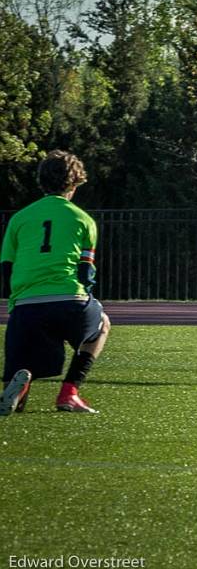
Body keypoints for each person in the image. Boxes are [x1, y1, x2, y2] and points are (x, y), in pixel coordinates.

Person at [0, 151, 110, 415]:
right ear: (74, 184)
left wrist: (17, 302)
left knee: (19, 369)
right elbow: (86, 272)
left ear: (41, 182)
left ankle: (18, 386)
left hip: (26, 306)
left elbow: (6, 267)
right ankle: (69, 393)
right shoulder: (83, 219)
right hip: (69, 301)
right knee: (102, 324)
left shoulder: (19, 218)